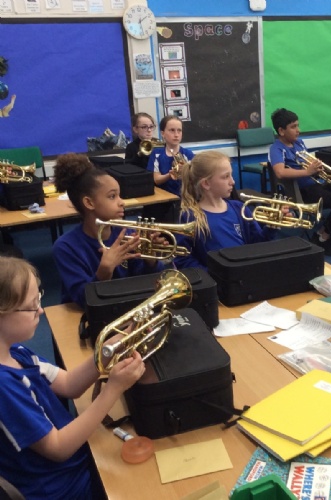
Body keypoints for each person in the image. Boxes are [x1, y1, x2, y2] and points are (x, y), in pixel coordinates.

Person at [0, 256, 145, 499]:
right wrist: (113, 389)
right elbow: (58, 448)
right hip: (63, 487)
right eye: (31, 305)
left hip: (75, 461)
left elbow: (69, 385)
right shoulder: (4, 386)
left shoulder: (16, 352)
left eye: (39, 299)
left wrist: (106, 351)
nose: (40, 310)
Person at [52, 153, 167, 308]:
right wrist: (104, 272)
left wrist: (150, 260)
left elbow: (145, 283)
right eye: (112, 196)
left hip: (126, 307)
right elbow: (82, 299)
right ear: (89, 203)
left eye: (119, 195)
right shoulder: (66, 247)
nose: (122, 202)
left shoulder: (126, 233)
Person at [174, 151, 279, 270]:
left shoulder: (239, 208)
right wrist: (211, 274)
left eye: (231, 175)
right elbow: (182, 259)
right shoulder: (190, 216)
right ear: (206, 183)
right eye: (225, 177)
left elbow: (257, 245)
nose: (232, 182)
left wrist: (271, 227)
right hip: (216, 279)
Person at [268, 108, 331, 256]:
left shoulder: (299, 143)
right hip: (301, 191)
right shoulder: (276, 148)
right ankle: (323, 238)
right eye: (293, 127)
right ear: (281, 131)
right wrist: (307, 171)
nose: (298, 130)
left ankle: (321, 233)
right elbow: (280, 172)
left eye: (298, 125)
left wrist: (317, 168)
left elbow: (308, 164)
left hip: (314, 185)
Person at [146, 115, 194, 197]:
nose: (176, 134)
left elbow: (194, 179)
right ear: (163, 133)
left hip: (184, 197)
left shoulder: (188, 154)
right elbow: (156, 179)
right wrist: (170, 175)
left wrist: (185, 171)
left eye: (179, 130)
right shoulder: (156, 154)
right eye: (172, 130)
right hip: (163, 198)